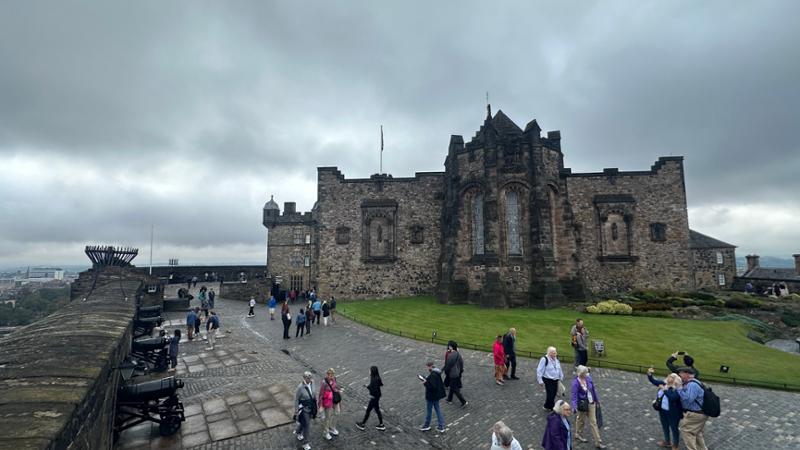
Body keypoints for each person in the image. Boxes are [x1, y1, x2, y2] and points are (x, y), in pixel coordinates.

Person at [647, 368, 683, 450]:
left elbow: (672, 398)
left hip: (673, 413)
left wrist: (664, 390)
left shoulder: (678, 389)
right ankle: (667, 442)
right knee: (665, 426)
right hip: (662, 410)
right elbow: (653, 381)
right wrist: (649, 374)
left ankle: (675, 445)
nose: (668, 376)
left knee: (674, 428)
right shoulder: (664, 383)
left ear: (674, 380)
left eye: (670, 376)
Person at [570, 365, 606, 448]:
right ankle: (578, 434)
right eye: (586, 373)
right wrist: (574, 407)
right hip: (582, 405)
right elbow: (574, 396)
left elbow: (593, 390)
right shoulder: (575, 383)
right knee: (580, 420)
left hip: (591, 403)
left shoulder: (589, 379)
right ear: (581, 374)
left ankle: (598, 441)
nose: (587, 374)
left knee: (593, 422)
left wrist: (596, 400)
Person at [677, 367, 709, 450]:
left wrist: (679, 388)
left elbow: (687, 400)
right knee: (697, 433)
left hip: (695, 414)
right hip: (700, 413)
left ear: (687, 374)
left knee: (687, 431)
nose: (679, 375)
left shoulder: (692, 384)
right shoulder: (695, 382)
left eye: (680, 373)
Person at [419, 361, 447, 433]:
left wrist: (425, 383)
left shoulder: (433, 375)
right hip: (436, 396)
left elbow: (432, 386)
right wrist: (427, 379)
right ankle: (441, 426)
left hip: (431, 396)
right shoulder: (436, 373)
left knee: (429, 411)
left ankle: (426, 425)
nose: (427, 368)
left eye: (428, 367)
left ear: (431, 366)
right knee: (438, 410)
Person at [356, 366, 386, 431]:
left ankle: (362, 424)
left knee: (368, 411)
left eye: (369, 370)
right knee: (377, 410)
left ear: (372, 371)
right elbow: (379, 385)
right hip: (377, 397)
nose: (368, 371)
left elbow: (374, 389)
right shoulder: (376, 377)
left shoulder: (374, 379)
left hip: (374, 397)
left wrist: (371, 394)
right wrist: (367, 386)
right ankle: (381, 425)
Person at [537, 346, 564, 411]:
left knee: (554, 393)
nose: (555, 354)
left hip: (555, 379)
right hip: (548, 379)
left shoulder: (556, 358)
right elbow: (539, 370)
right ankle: (552, 407)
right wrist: (540, 381)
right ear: (549, 353)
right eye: (554, 353)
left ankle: (546, 406)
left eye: (555, 352)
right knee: (550, 394)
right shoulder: (544, 359)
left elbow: (559, 368)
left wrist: (561, 376)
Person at [318, 368, 342, 441]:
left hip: (335, 399)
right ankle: (326, 432)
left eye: (332, 375)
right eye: (329, 375)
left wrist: (339, 390)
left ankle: (332, 427)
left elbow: (336, 386)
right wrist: (321, 405)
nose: (331, 376)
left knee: (337, 413)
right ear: (327, 375)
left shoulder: (334, 379)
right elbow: (321, 394)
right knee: (327, 418)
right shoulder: (324, 383)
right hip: (328, 402)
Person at [294, 371, 316, 450]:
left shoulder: (312, 383)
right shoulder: (300, 387)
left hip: (311, 407)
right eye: (307, 378)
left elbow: (313, 394)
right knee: (307, 425)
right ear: (304, 378)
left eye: (310, 377)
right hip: (304, 409)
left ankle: (298, 431)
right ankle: (305, 443)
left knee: (304, 423)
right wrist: (296, 411)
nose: (309, 379)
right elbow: (296, 399)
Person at [443, 341, 467, 407]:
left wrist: (446, 372)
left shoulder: (451, 355)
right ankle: (449, 399)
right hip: (457, 373)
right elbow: (461, 363)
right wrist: (461, 371)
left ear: (451, 347)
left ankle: (463, 401)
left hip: (453, 374)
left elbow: (448, 366)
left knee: (454, 389)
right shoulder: (458, 354)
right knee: (452, 386)